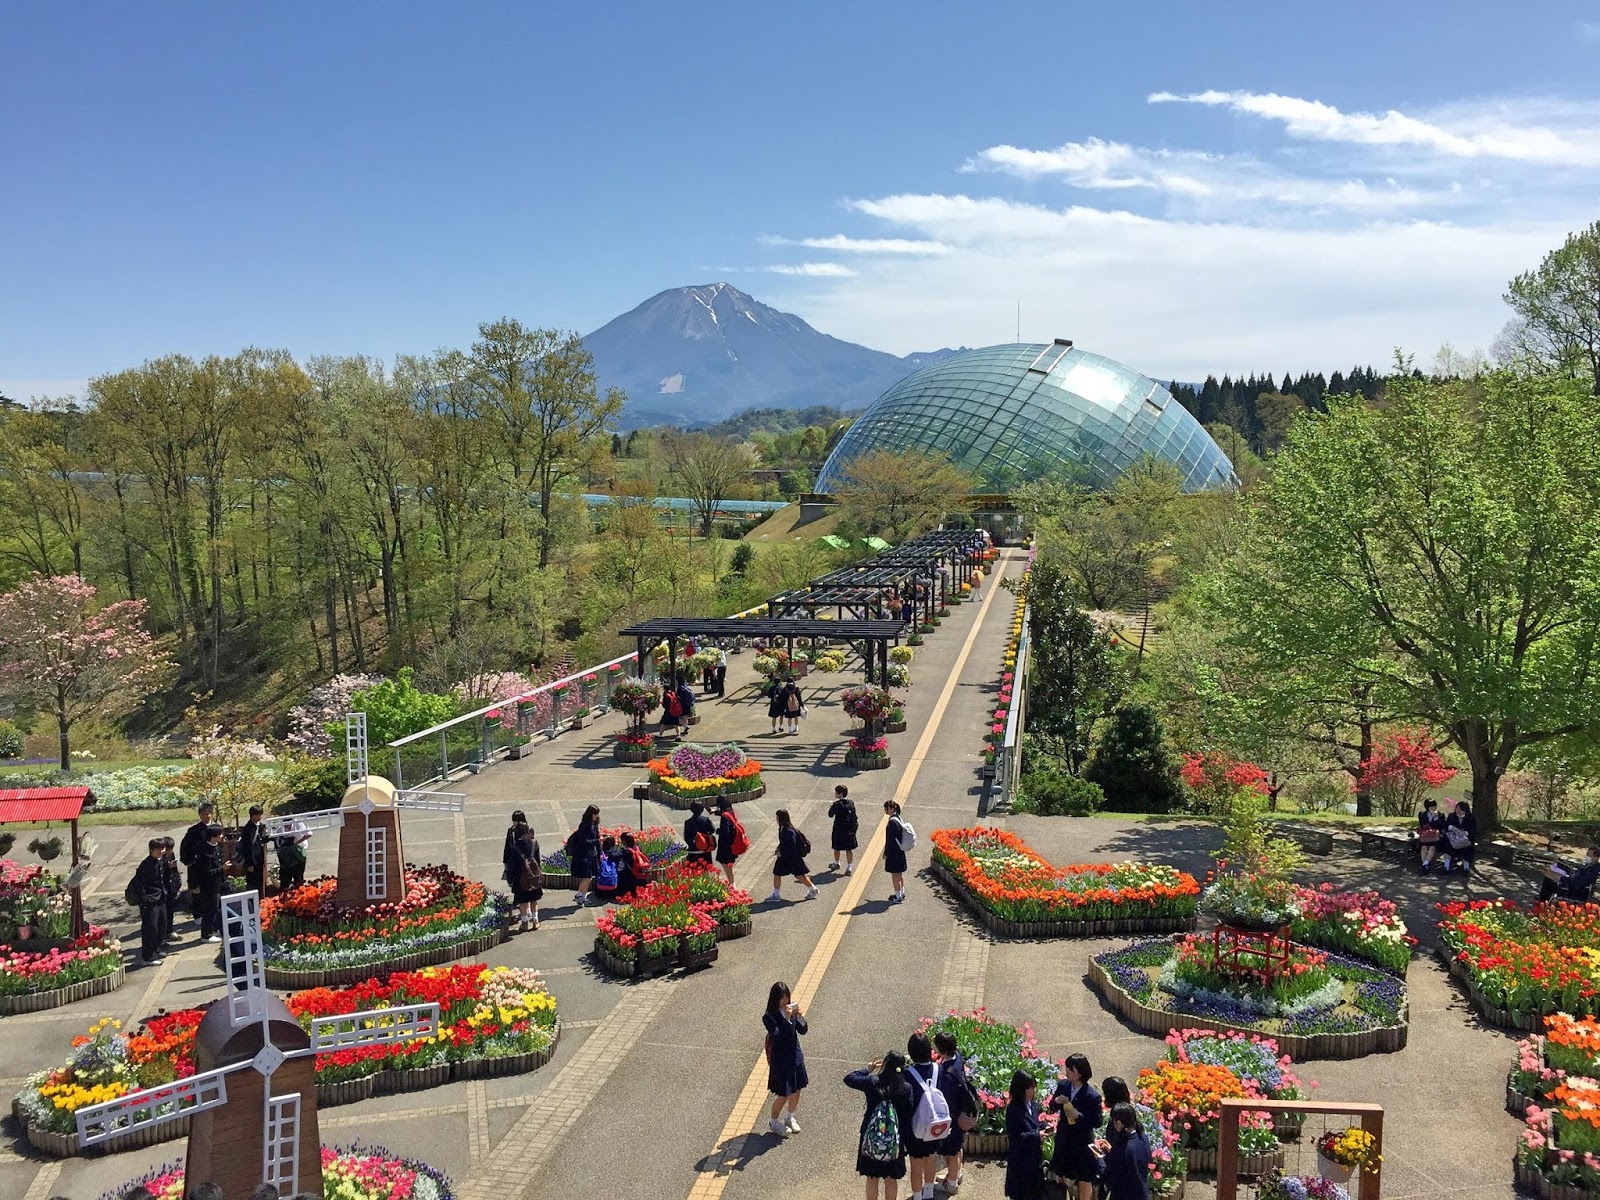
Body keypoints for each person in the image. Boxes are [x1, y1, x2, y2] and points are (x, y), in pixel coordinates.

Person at [845, 1051, 912, 1199]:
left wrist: (868, 1069)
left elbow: (849, 1078)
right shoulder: (906, 1088)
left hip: (871, 1137)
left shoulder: (872, 1082)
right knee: (891, 1179)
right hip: (895, 1139)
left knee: (872, 1178)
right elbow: (908, 1115)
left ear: (885, 1064)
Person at [1047, 1053, 1103, 1199]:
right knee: (1060, 1172)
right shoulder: (1064, 1086)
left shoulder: (1092, 1096)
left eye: (1070, 1070)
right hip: (1064, 1138)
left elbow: (1097, 1122)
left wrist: (1078, 1115)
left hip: (1082, 1142)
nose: (1067, 1072)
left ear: (1079, 1073)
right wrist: (1057, 1101)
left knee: (1085, 1177)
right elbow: (1052, 1107)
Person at [763, 981, 809, 1136]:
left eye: (787, 997)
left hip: (795, 1056)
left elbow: (803, 1030)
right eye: (782, 998)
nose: (785, 1001)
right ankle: (773, 1121)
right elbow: (780, 1035)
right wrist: (788, 1019)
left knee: (796, 1090)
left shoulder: (791, 1009)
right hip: (780, 1061)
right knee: (783, 1094)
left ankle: (790, 1117)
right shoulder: (769, 1017)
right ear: (775, 999)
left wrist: (799, 1017)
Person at [903, 1033, 945, 1200]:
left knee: (916, 1164)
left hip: (916, 1127)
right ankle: (929, 1193)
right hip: (935, 1123)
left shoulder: (908, 1073)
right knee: (931, 1159)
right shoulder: (938, 1069)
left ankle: (917, 1196)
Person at [933, 1030, 975, 1195]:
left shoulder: (946, 1072)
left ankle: (951, 1184)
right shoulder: (957, 1057)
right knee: (958, 1146)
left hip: (952, 1116)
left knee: (951, 1151)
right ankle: (956, 1174)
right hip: (961, 1113)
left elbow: (945, 1098)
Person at [1097, 1103, 1151, 1200]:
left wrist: (1100, 1158)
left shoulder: (1122, 1148)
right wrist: (1112, 1150)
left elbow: (1108, 1176)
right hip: (1142, 1193)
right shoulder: (1143, 1138)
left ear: (1118, 1123)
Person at [1004, 1069, 1043, 1200]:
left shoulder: (1032, 1104)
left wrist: (1045, 1126)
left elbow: (1035, 1124)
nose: (1033, 1091)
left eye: (1033, 1088)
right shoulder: (1013, 1109)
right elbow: (1015, 1137)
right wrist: (1037, 1136)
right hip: (1020, 1163)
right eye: (1029, 1088)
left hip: (1034, 1160)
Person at [502, 810, 542, 932]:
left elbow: (512, 864)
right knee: (534, 899)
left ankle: (524, 922)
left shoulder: (516, 847)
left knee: (523, 900)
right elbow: (538, 859)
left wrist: (510, 877)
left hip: (520, 877)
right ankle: (535, 920)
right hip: (533, 876)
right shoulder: (534, 842)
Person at [768, 809, 818, 903]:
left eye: (777, 817)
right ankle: (776, 894)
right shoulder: (783, 828)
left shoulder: (788, 831)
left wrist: (781, 852)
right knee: (779, 873)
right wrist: (779, 848)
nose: (776, 819)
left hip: (791, 858)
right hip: (788, 858)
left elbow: (791, 845)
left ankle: (813, 889)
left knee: (799, 875)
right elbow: (783, 842)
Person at [131, 838, 167, 965]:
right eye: (159, 849)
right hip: (150, 901)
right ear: (152, 850)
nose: (162, 851)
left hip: (160, 898)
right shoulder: (146, 865)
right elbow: (139, 885)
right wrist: (145, 900)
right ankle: (148, 956)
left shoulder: (161, 861)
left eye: (163, 848)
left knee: (161, 925)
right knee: (150, 928)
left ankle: (156, 949)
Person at [178, 802, 216, 913]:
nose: (207, 816)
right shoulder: (193, 831)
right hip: (197, 866)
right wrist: (189, 861)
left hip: (212, 865)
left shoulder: (216, 828)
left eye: (209, 813)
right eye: (204, 814)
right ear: (200, 815)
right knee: (196, 890)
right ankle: (197, 914)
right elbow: (185, 847)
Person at [194, 824, 226, 943]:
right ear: (213, 836)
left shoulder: (216, 846)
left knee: (215, 908)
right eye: (220, 834)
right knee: (209, 910)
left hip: (216, 884)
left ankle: (214, 929)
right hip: (208, 886)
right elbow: (206, 872)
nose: (222, 836)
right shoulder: (205, 851)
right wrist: (222, 869)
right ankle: (206, 935)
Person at [569, 805, 602, 906]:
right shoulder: (584, 825)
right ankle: (580, 895)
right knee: (587, 877)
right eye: (595, 814)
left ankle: (582, 896)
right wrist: (598, 841)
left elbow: (597, 838)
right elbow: (584, 841)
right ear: (591, 814)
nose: (597, 816)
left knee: (589, 877)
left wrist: (600, 853)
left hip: (592, 854)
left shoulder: (594, 824)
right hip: (583, 854)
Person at [235, 805, 267, 897]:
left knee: (260, 881)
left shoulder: (260, 826)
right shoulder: (248, 829)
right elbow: (247, 848)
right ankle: (252, 902)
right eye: (258, 815)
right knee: (253, 883)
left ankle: (261, 900)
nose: (260, 817)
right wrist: (249, 864)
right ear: (252, 815)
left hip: (259, 859)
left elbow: (262, 840)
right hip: (252, 861)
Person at [1442, 799, 1479, 874]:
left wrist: (1464, 833)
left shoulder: (1470, 818)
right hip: (1452, 839)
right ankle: (1446, 866)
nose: (1458, 811)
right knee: (1447, 845)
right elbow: (1445, 827)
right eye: (1457, 808)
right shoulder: (1451, 816)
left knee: (1468, 849)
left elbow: (1473, 831)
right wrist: (1451, 828)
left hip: (1465, 840)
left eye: (1461, 809)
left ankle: (1466, 867)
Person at [830, 785, 859, 874]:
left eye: (836, 792)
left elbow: (830, 814)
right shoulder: (851, 803)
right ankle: (849, 867)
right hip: (849, 830)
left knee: (836, 848)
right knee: (848, 849)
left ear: (840, 794)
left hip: (839, 829)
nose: (835, 794)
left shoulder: (836, 804)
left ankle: (837, 863)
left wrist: (831, 806)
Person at [276, 816, 311, 891]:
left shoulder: (299, 824)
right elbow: (277, 841)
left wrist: (297, 842)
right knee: (287, 872)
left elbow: (309, 834)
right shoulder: (279, 829)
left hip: (300, 849)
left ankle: (299, 888)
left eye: (288, 824)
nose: (287, 826)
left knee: (299, 873)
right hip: (288, 853)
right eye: (285, 824)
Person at [884, 801, 909, 903]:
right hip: (900, 851)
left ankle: (897, 896)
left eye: (886, 808)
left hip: (894, 853)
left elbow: (890, 840)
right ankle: (901, 893)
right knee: (899, 874)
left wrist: (886, 853)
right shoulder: (898, 818)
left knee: (895, 875)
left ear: (890, 808)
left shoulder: (892, 822)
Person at [159, 836, 181, 947]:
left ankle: (170, 931)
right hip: (163, 889)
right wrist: (168, 867)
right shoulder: (159, 857)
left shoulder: (171, 855)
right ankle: (162, 937)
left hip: (171, 886)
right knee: (163, 914)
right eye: (168, 849)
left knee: (170, 911)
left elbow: (175, 869)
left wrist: (178, 882)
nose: (170, 851)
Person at [715, 795, 742, 886]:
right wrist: (715, 812)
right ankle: (732, 882)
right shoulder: (731, 811)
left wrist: (718, 831)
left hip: (725, 845)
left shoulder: (724, 817)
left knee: (725, 863)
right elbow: (724, 813)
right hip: (732, 843)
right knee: (729, 864)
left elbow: (725, 831)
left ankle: (731, 883)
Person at [617, 831, 651, 900]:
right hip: (640, 873)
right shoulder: (637, 848)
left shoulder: (625, 850)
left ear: (624, 841)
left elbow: (618, 857)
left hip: (630, 875)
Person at [1417, 797, 1446, 874]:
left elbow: (1441, 827)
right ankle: (1425, 865)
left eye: (1434, 806)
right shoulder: (1422, 814)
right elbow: (1422, 825)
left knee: (1432, 848)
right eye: (1431, 806)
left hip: (1435, 838)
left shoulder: (1440, 815)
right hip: (1425, 837)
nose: (1434, 808)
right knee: (1423, 847)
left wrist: (1436, 818)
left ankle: (1425, 864)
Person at [684, 800, 717, 867]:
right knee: (705, 871)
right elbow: (712, 830)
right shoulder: (706, 820)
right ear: (702, 809)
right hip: (705, 849)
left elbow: (686, 838)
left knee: (693, 873)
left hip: (692, 851)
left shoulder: (688, 822)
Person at [595, 835, 622, 903]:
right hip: (613, 885)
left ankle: (601, 892)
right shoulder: (615, 852)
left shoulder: (600, 853)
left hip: (601, 886)